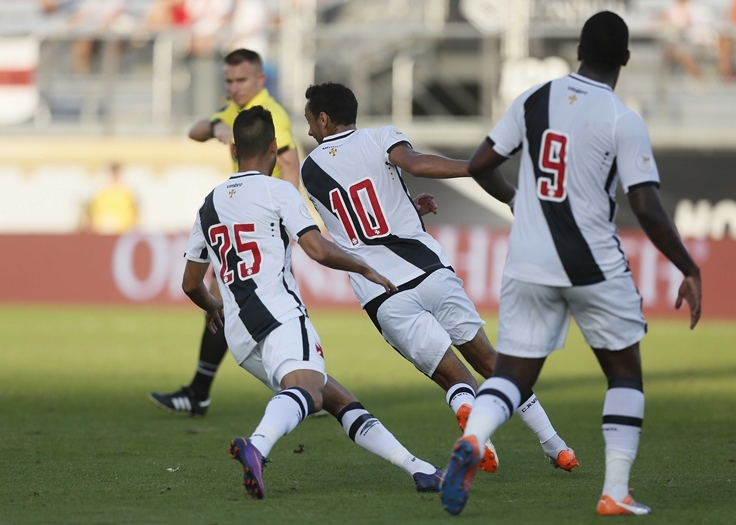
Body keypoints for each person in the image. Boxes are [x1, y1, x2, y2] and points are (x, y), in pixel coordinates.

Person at [439, 11, 703, 516]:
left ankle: (474, 438)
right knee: (624, 375)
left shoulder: (535, 99)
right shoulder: (622, 119)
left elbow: (478, 166)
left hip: (528, 260)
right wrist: (688, 267)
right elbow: (645, 206)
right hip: (592, 263)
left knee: (514, 373)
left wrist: (518, 200)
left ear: (578, 49)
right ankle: (615, 491)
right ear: (626, 59)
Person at [300, 82, 578, 476]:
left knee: (453, 376)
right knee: (489, 360)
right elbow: (414, 165)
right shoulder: (382, 137)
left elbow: (353, 222)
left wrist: (406, 208)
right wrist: (472, 167)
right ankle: (556, 445)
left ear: (325, 119)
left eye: (311, 120)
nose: (310, 129)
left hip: (380, 289)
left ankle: (467, 410)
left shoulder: (310, 169)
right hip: (429, 270)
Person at [182, 106, 444, 498]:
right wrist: (364, 267)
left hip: (240, 333)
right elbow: (317, 249)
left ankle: (419, 469)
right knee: (310, 391)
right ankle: (258, 445)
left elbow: (190, 284)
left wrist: (213, 306)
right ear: (274, 147)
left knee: (337, 398)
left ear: (234, 149)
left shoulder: (209, 204)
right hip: (280, 316)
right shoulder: (278, 191)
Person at [149, 48, 300, 415]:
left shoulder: (270, 115)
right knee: (238, 303)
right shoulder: (234, 110)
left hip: (264, 224)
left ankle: (304, 386)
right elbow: (194, 131)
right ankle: (302, 383)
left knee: (235, 302)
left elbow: (290, 164)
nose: (234, 87)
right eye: (229, 81)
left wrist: (291, 220)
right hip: (246, 220)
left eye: (241, 80)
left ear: (260, 80)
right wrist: (217, 124)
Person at [654, 0, 718, 79]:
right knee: (676, 51)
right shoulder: (671, 8)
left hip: (697, 43)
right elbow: (655, 23)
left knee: (679, 51)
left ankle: (701, 79)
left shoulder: (698, 8)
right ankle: (700, 79)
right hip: (681, 43)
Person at [83, 163, 138, 234]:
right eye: (112, 174)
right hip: (101, 231)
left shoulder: (127, 192)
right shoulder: (100, 191)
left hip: (122, 232)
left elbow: (135, 212)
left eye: (116, 174)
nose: (114, 176)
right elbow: (90, 211)